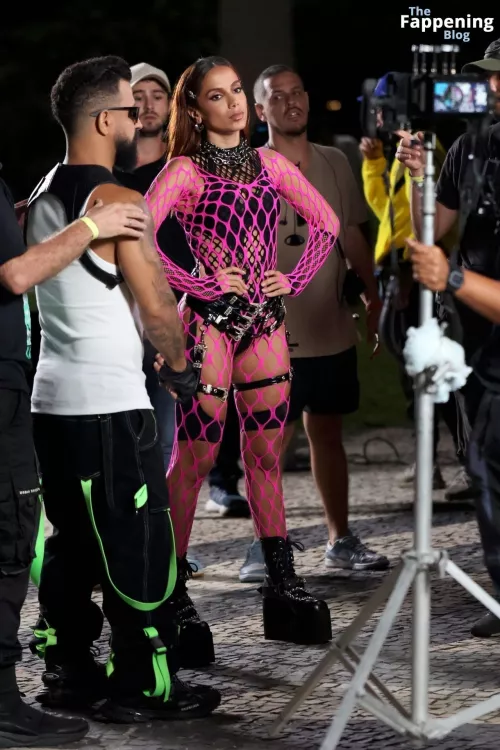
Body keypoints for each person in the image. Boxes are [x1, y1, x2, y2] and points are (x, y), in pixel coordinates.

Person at [24, 55, 220, 723]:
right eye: (130, 110)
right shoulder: (118, 202)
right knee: (136, 545)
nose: (139, 120)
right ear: (105, 121)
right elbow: (158, 304)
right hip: (109, 408)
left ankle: (69, 673)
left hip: (52, 405)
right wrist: (180, 366)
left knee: (71, 546)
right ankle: (144, 683)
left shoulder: (43, 191)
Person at [147, 55, 339, 660]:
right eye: (217, 95)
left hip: (265, 325)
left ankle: (281, 585)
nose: (233, 103)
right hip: (208, 327)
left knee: (265, 459)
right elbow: (139, 234)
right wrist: (197, 283)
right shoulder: (183, 171)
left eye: (236, 91)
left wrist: (294, 277)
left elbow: (328, 223)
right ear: (194, 108)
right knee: (194, 460)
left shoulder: (270, 164)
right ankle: (172, 592)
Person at [0, 167, 147, 745]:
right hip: (57, 392)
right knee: (16, 538)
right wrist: (91, 226)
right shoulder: (101, 201)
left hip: (39, 389)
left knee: (53, 539)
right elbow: (15, 275)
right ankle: (9, 703)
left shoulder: (33, 192)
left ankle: (61, 673)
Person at [237, 64, 389, 584]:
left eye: (297, 91)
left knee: (328, 433)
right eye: (277, 96)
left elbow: (351, 235)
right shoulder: (246, 168)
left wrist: (373, 295)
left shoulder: (334, 161)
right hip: (270, 333)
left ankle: (339, 539)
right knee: (269, 444)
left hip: (329, 326)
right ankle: (264, 545)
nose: (291, 101)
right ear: (261, 110)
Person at [396, 38, 500, 638]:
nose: (492, 88)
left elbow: (445, 266)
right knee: (485, 469)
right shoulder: (470, 146)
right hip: (482, 346)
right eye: (489, 78)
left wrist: (453, 278)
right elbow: (432, 229)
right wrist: (420, 176)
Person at [118, 63, 249, 523]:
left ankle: (216, 486)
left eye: (157, 94)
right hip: (126, 310)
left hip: (190, 305)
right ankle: (141, 515)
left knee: (201, 407)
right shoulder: (109, 174)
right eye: (138, 95)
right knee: (138, 419)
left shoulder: (186, 166)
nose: (148, 103)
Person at [359, 74, 466, 497]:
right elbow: (386, 210)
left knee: (433, 373)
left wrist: (406, 272)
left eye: (381, 108)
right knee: (418, 374)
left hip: (416, 274)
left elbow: (422, 219)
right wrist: (374, 164)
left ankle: (461, 462)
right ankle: (437, 461)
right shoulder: (404, 151)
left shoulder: (423, 145)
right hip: (402, 272)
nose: (376, 117)